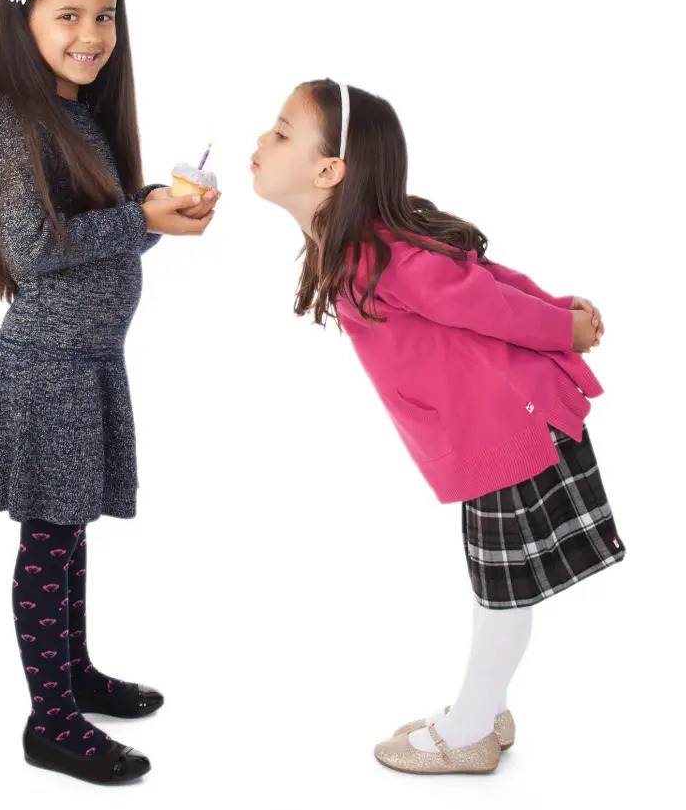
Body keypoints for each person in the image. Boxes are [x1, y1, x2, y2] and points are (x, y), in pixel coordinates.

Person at [249, 78, 625, 775]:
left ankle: (473, 727)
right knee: (496, 585)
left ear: (329, 170)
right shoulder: (353, 242)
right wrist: (559, 307)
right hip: (491, 428)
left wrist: (561, 324)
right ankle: (483, 706)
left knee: (503, 589)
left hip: (506, 429)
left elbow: (482, 292)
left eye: (278, 133)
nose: (260, 144)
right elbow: (479, 274)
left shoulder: (374, 252)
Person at [0, 0, 219, 785]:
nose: (92, 33)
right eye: (68, 14)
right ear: (25, 19)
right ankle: (50, 720)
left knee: (71, 534)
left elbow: (98, 245)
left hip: (88, 361)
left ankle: (71, 674)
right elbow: (36, 248)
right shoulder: (20, 119)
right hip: (48, 367)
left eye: (105, 15)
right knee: (49, 537)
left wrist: (156, 217)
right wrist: (141, 218)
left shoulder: (80, 112)